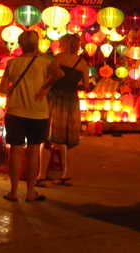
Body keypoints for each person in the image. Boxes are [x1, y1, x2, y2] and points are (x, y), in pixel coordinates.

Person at [0, 30, 63, 202]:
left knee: (16, 152)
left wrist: (13, 89)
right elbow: (59, 74)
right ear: (36, 45)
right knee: (34, 152)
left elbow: (2, 89)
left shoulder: (11, 64)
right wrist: (44, 87)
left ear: (20, 46)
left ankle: (13, 192)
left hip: (15, 112)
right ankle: (30, 193)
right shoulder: (43, 62)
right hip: (38, 113)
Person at [35, 33, 89, 187]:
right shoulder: (82, 63)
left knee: (47, 137)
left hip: (56, 98)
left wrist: (43, 92)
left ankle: (41, 176)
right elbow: (85, 86)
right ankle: (67, 176)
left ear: (66, 44)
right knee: (69, 140)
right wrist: (72, 87)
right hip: (72, 101)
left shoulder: (59, 58)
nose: (58, 46)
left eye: (61, 43)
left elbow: (51, 78)